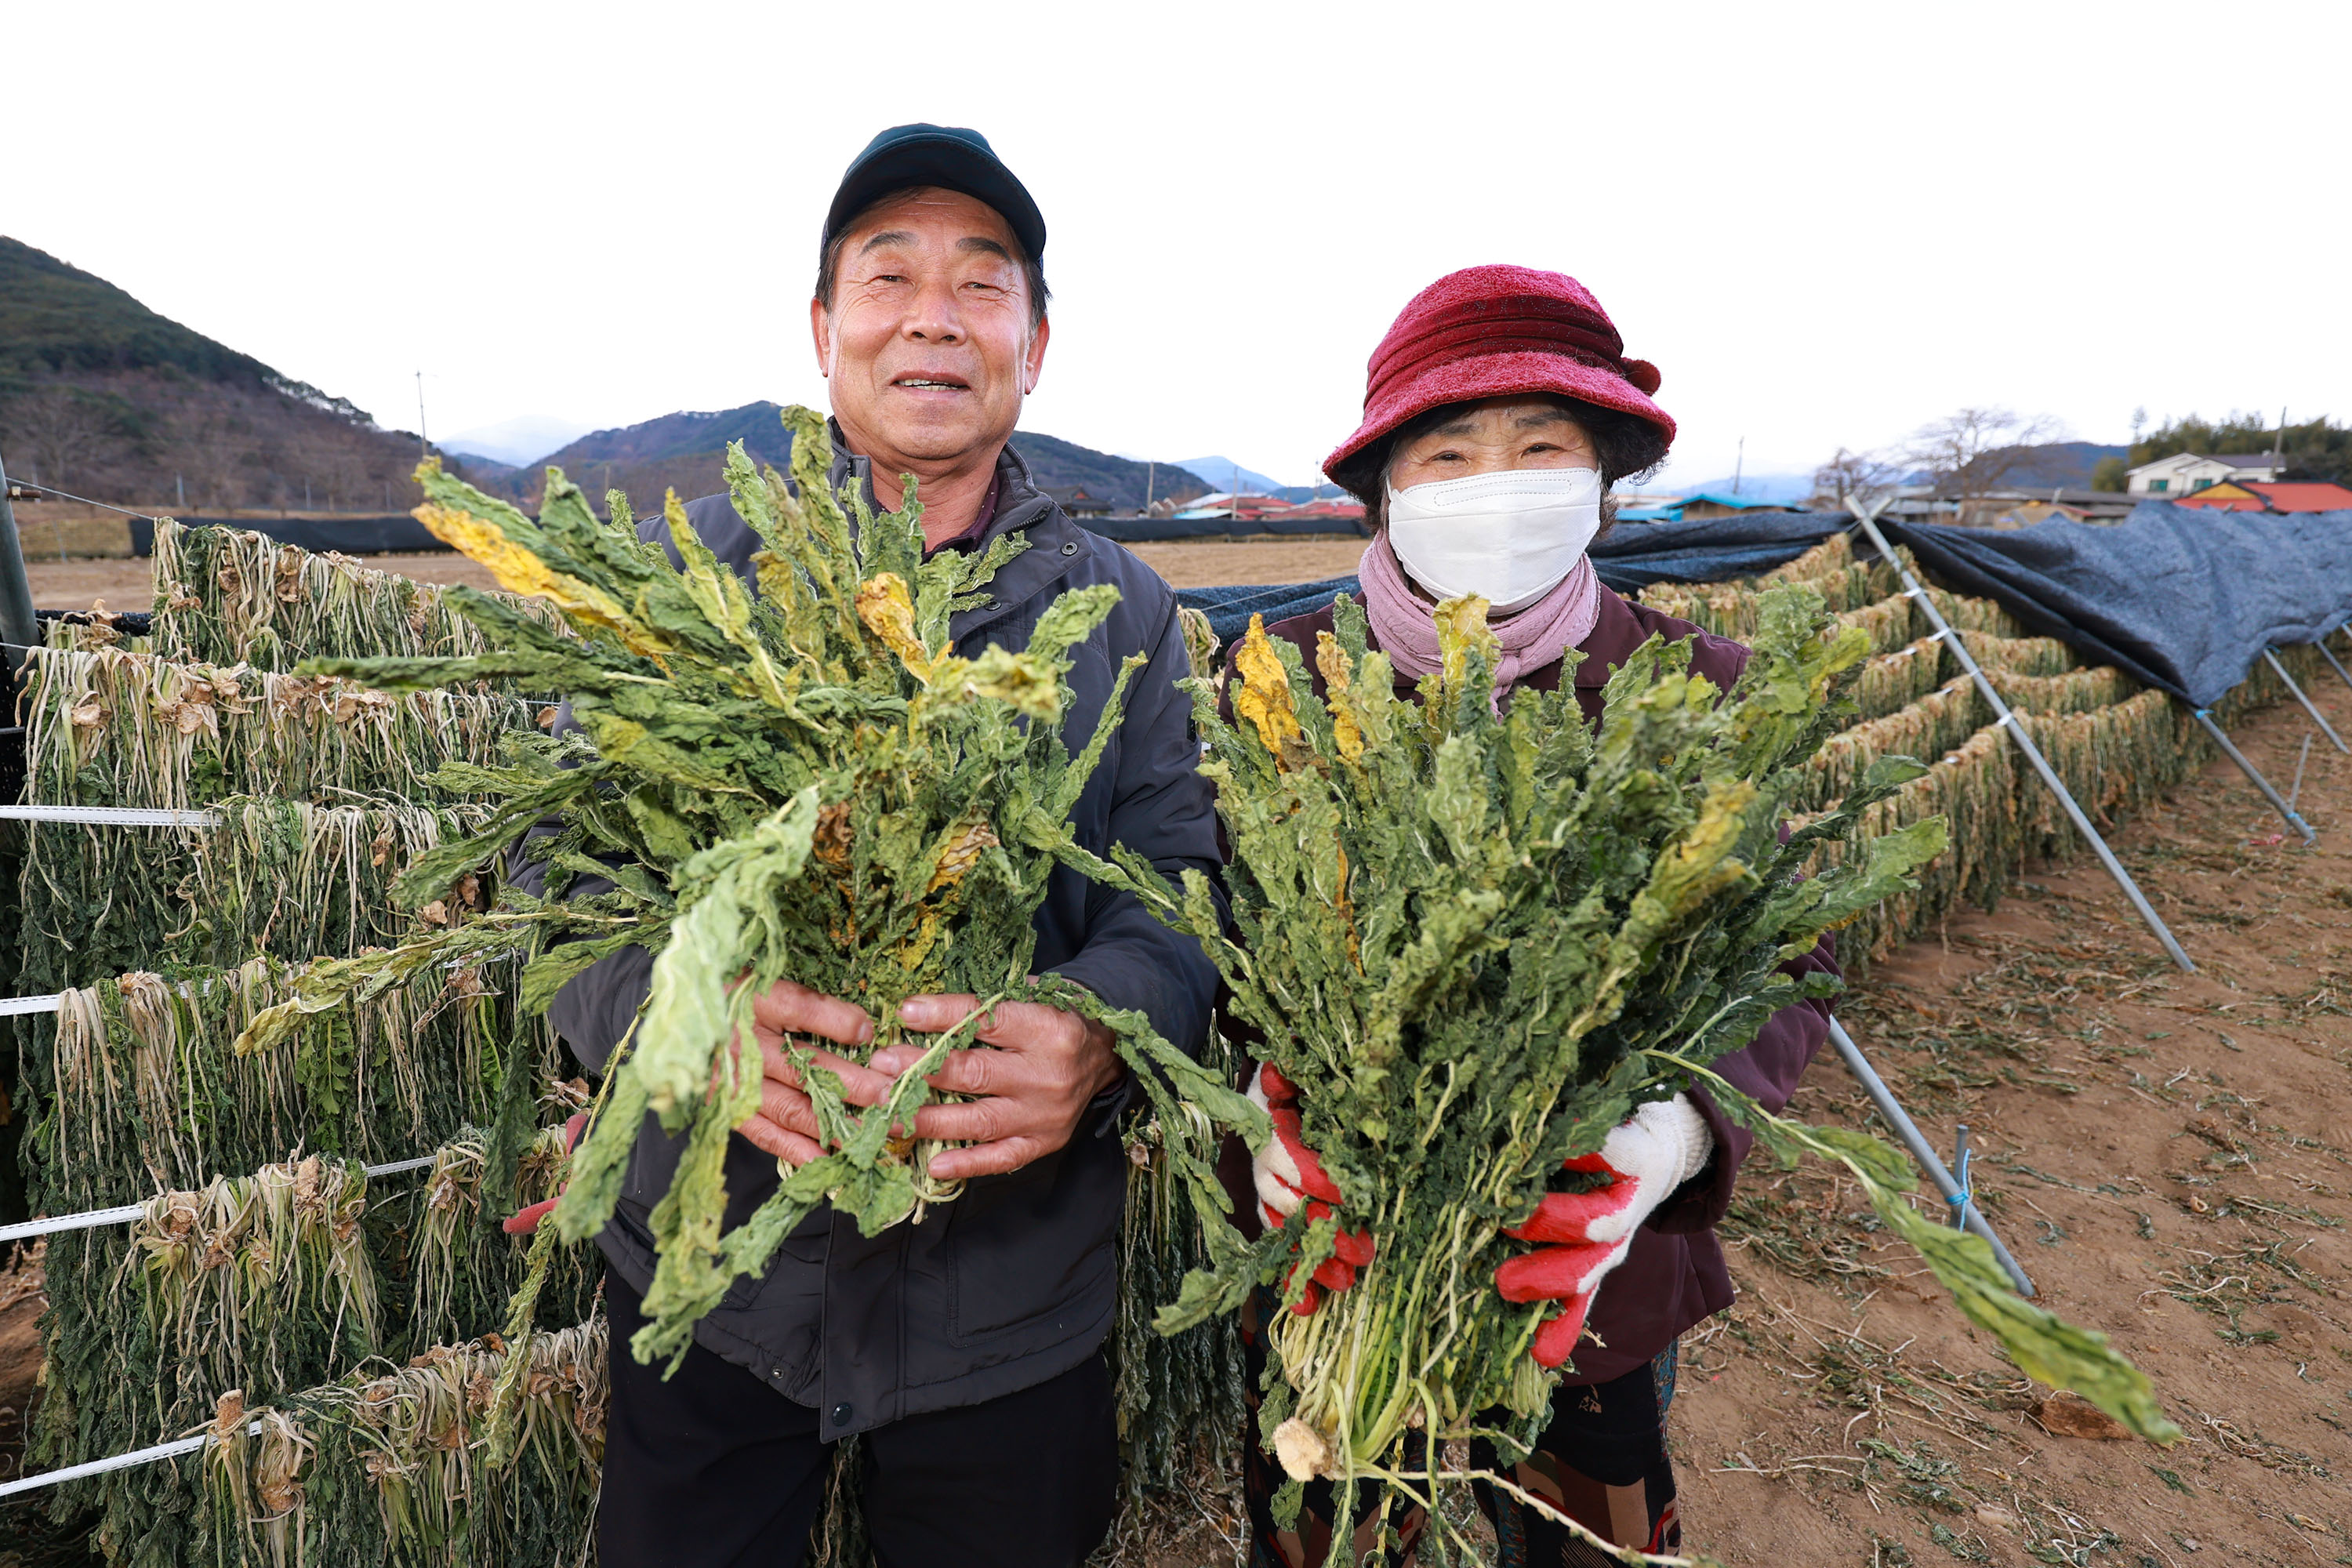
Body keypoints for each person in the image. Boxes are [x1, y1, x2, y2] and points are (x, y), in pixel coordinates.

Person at [516, 125, 1224, 1568]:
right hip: (716, 1285)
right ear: (824, 328)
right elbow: (553, 878)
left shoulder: (1133, 619)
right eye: (887, 274)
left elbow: (1190, 896)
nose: (932, 315)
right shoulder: (681, 588)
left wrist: (1104, 1033)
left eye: (982, 282)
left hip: (1009, 1309)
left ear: (1036, 340)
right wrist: (677, 1018)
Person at [1232, 265, 1839, 1566]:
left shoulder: (1697, 690)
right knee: (1328, 1534)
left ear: (1604, 478)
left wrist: (1682, 1130)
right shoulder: (1279, 678)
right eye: (1448, 453)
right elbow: (1202, 933)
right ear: (1387, 486)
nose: (1493, 484)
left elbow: (1789, 958)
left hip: (1587, 1280)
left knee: (1587, 1538)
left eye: (1540, 448)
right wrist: (1245, 1105)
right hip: (1336, 1259)